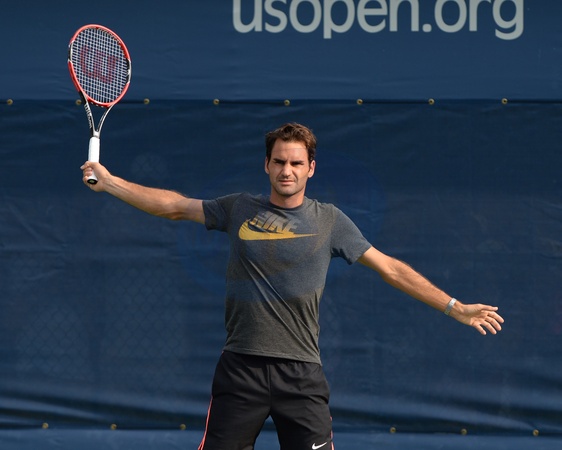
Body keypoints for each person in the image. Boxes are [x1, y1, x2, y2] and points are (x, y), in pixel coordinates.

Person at [81, 122, 504, 450]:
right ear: (267, 165)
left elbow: (391, 269)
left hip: (301, 376)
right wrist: (110, 181)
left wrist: (455, 307)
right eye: (280, 161)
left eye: (296, 163)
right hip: (241, 371)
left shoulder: (330, 221)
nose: (287, 170)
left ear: (310, 168)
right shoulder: (238, 208)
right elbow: (174, 207)